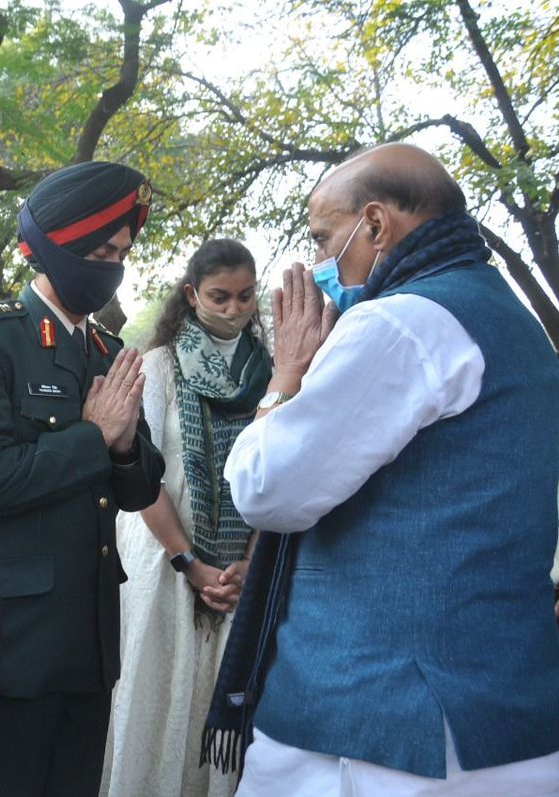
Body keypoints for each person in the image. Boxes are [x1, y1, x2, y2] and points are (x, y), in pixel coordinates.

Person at [206, 143, 559, 795]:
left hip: (378, 728)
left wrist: (285, 377)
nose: (316, 264)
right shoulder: (514, 321)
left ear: (374, 225)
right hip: (500, 710)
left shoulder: (401, 324)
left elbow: (268, 488)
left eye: (322, 237)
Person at [0, 161, 165, 796]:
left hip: (88, 644)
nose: (111, 266)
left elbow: (140, 490)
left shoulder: (108, 352)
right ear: (53, 247)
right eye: (97, 251)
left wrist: (119, 446)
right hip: (15, 649)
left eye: (120, 252)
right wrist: (92, 436)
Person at [101, 239, 269, 797]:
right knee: (157, 698)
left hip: (244, 572)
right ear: (191, 295)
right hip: (165, 559)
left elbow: (280, 475)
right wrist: (190, 563)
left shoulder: (271, 375)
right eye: (219, 297)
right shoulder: (157, 367)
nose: (233, 309)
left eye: (245, 296)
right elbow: (137, 474)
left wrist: (246, 562)